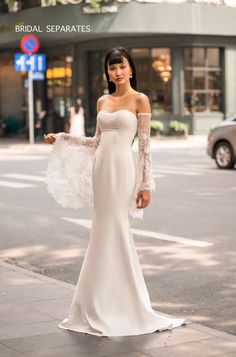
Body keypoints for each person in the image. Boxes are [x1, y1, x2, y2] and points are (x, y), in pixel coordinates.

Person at [44, 46, 186, 337]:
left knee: (117, 227)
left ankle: (127, 303)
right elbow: (96, 142)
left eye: (122, 67)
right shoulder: (102, 101)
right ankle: (96, 302)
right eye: (112, 68)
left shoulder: (140, 100)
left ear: (131, 69)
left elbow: (145, 147)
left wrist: (146, 184)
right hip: (101, 169)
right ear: (107, 72)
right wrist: (62, 138)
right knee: (101, 230)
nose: (117, 72)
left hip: (123, 170)